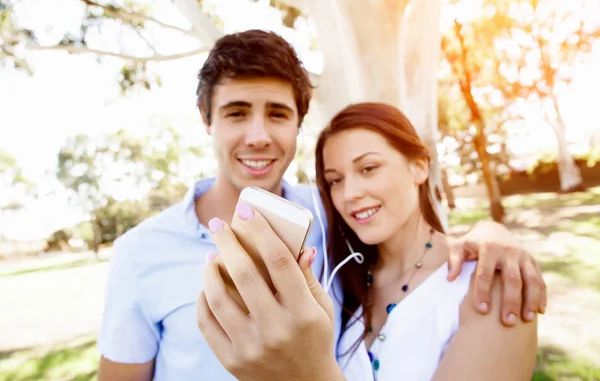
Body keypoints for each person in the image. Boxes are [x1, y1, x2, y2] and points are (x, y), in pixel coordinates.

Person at [98, 29, 545, 381]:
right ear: (206, 121)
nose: (258, 136)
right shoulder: (141, 253)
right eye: (236, 112)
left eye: (277, 113)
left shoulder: (332, 215)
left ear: (298, 124)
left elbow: (411, 238)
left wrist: (491, 234)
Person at [199, 102, 540, 381]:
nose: (350, 194)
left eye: (368, 168)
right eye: (334, 181)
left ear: (419, 167)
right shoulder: (343, 281)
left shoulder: (489, 281)